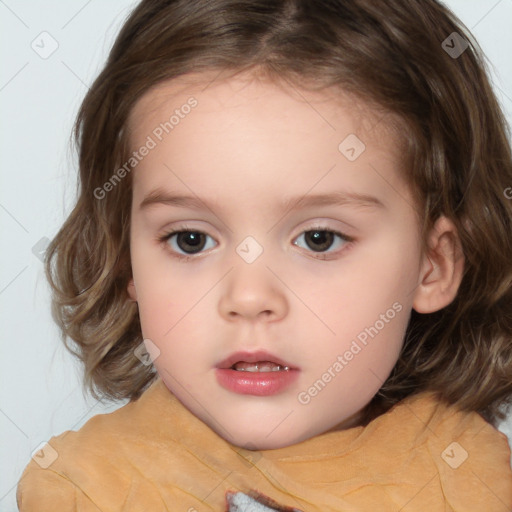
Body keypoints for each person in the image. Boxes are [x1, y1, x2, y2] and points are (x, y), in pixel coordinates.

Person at [16, 0, 512, 510]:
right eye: (191, 239)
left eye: (319, 239)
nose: (249, 298)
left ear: (432, 265)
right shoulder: (85, 490)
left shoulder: (472, 481)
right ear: (126, 261)